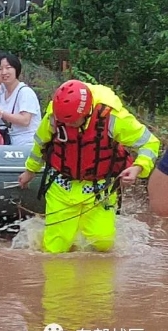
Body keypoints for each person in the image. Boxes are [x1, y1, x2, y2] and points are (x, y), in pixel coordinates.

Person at [18, 80, 160, 254]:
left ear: (87, 113)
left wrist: (138, 167)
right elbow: (40, 144)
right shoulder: (54, 116)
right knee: (55, 249)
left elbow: (150, 143)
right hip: (62, 185)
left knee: (103, 243)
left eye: (72, 122)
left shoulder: (113, 118)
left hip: (100, 189)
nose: (67, 126)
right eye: (64, 121)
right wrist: (30, 170)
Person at [0, 52, 41, 145]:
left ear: (16, 69)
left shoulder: (25, 92)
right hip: (13, 144)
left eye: (8, 68)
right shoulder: (4, 92)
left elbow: (25, 120)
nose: (4, 72)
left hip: (29, 144)